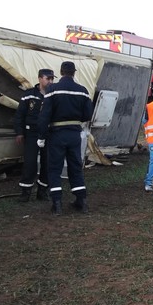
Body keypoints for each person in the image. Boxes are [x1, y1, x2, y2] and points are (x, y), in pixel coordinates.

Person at [37, 61, 94, 215]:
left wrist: (41, 137)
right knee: (75, 166)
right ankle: (81, 201)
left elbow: (45, 115)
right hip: (75, 134)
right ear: (74, 73)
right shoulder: (82, 91)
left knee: (54, 167)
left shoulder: (52, 89)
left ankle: (57, 204)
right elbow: (88, 115)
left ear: (61, 72)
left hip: (56, 134)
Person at [14, 68, 54, 202]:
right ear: (40, 78)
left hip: (48, 133)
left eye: (52, 78)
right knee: (30, 163)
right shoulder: (29, 94)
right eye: (47, 78)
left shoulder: (53, 95)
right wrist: (19, 132)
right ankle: (25, 192)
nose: (50, 81)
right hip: (32, 133)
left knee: (47, 162)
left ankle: (42, 191)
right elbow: (20, 114)